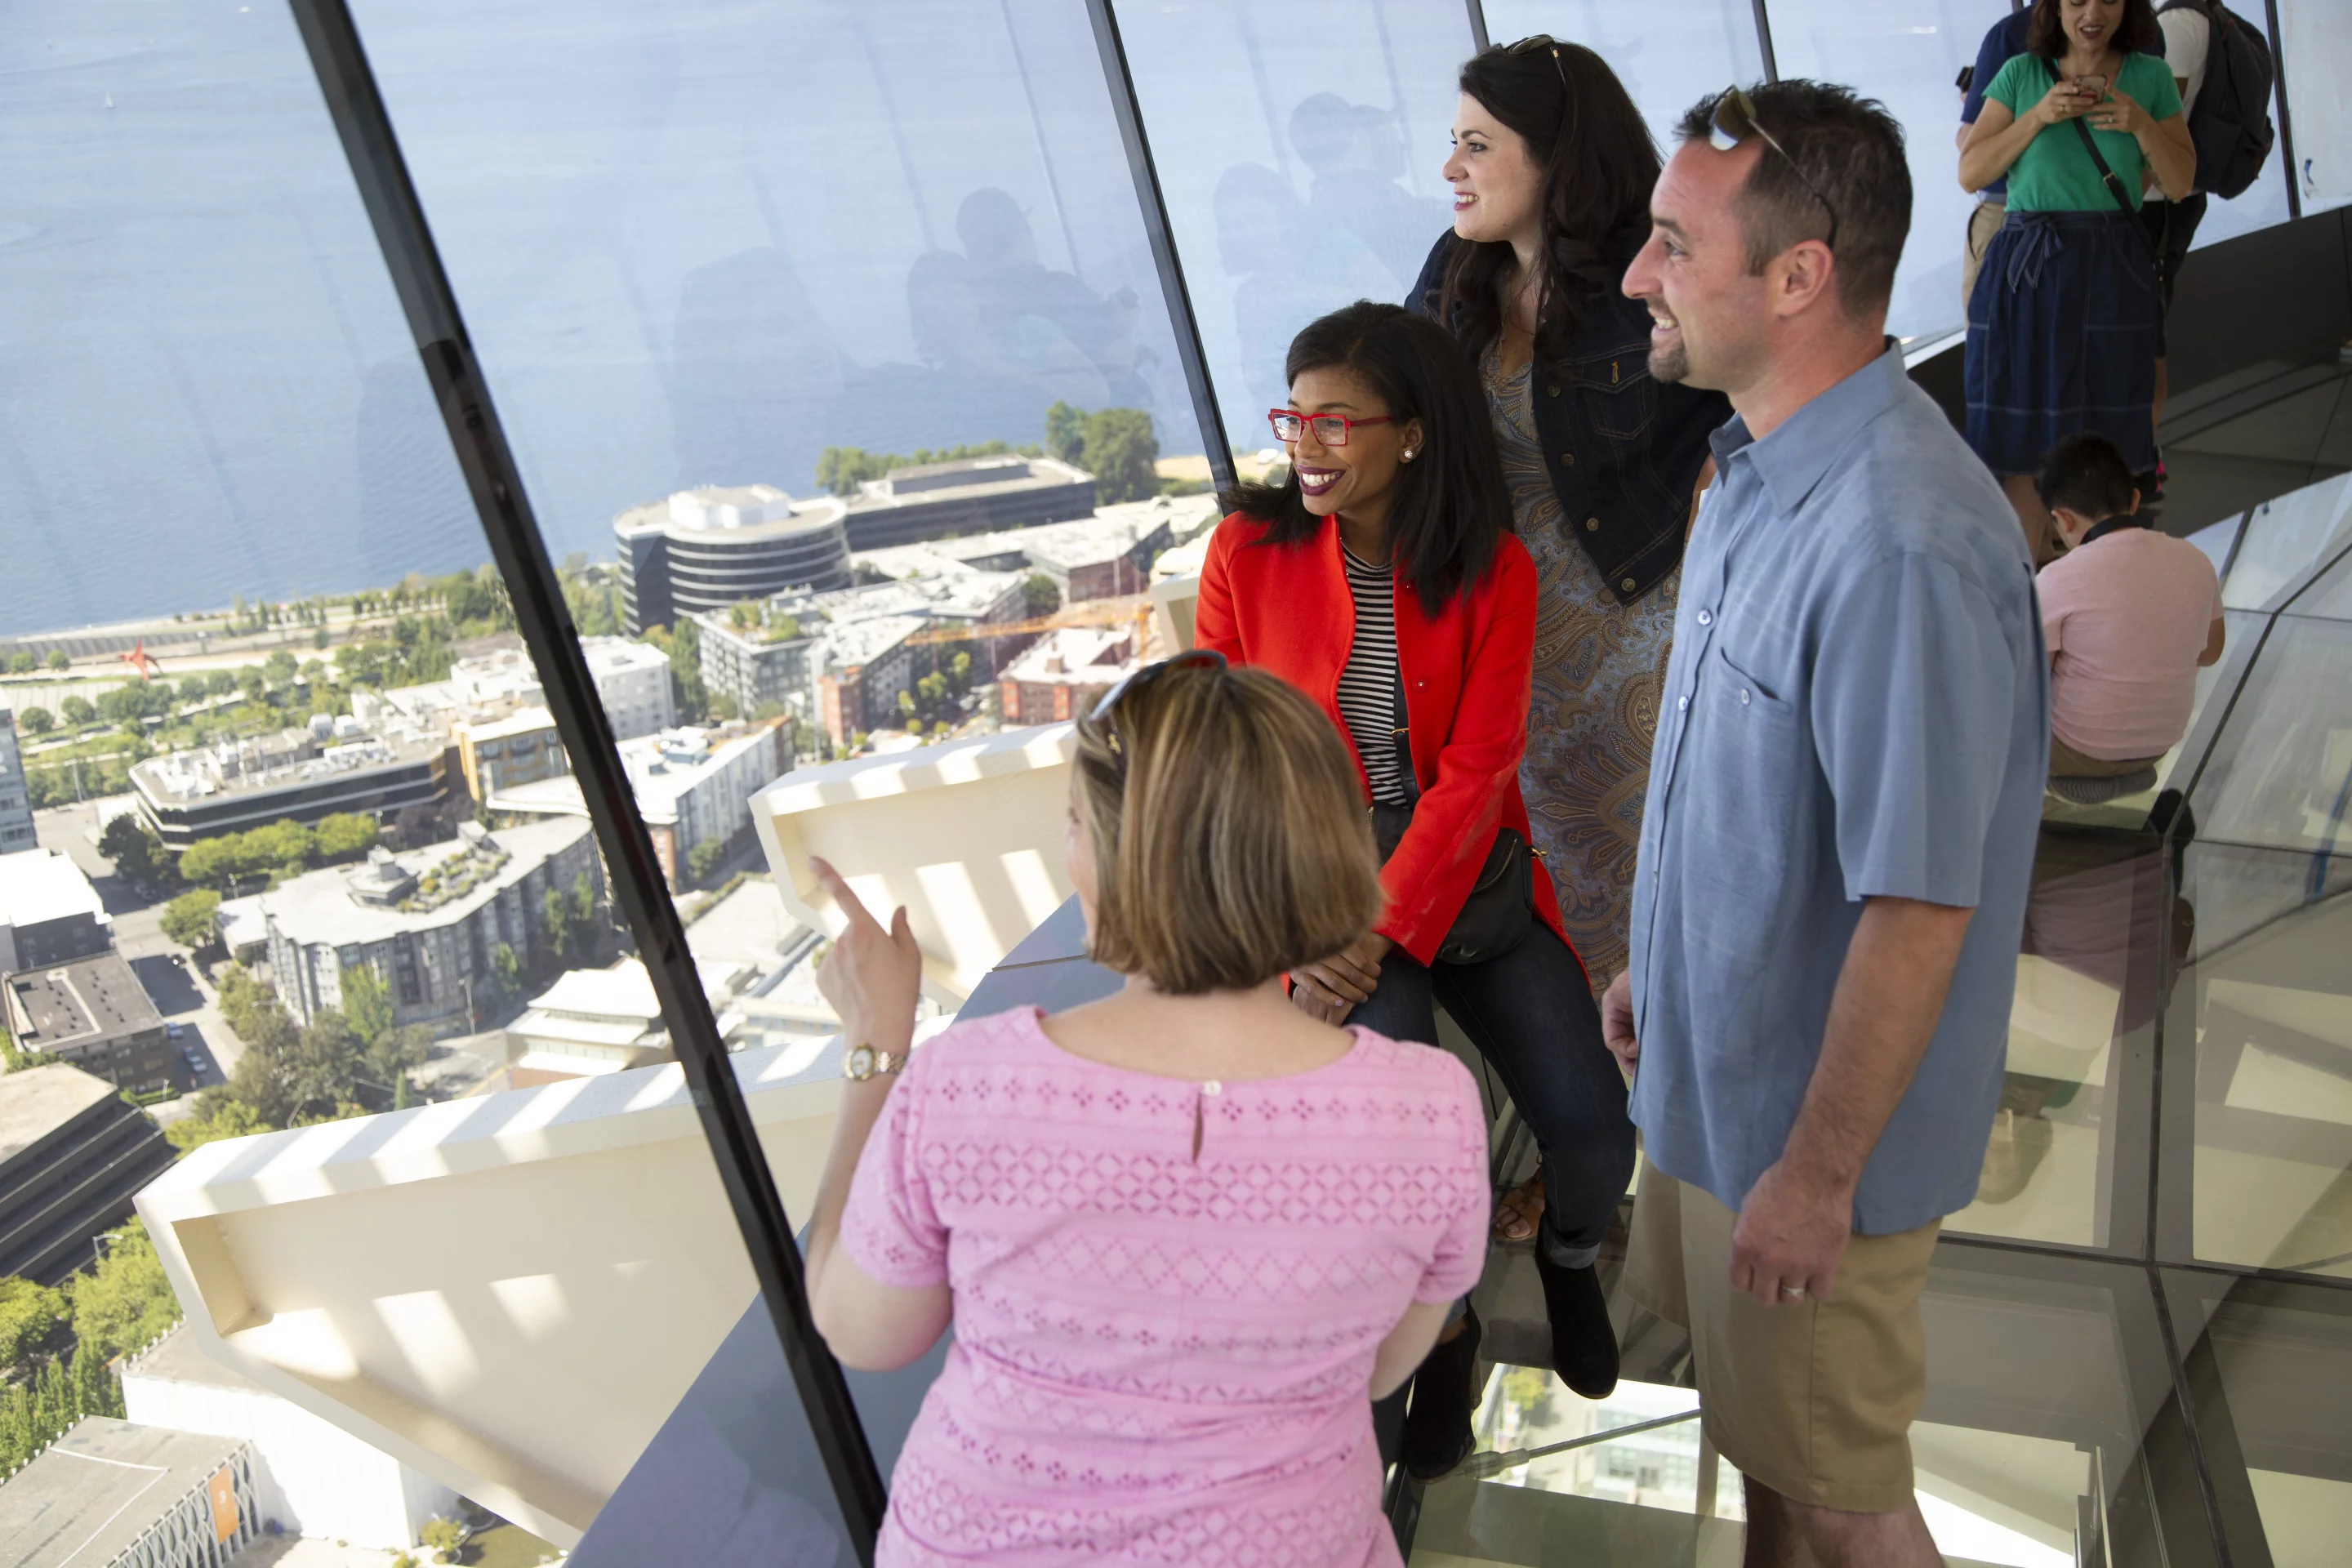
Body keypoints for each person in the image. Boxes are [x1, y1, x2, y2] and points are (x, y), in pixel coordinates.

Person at [1614, 81, 2048, 1564]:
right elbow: (1750, 792)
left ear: (1799, 277)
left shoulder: (1899, 542)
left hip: (1806, 1152)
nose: (1638, 275)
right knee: (1770, 1453)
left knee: (1843, 1503)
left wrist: (1814, 1178)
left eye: (1676, 245)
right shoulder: (1753, 470)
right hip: (1720, 1095)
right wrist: (1662, 972)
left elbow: (1919, 908)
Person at [798, 653, 1490, 1566]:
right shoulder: (1432, 1114)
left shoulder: (964, 1087)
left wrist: (875, 1049)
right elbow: (1377, 1369)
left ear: (1107, 857)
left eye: (1075, 825)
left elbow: (862, 1331)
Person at [1194, 300, 1635, 1480]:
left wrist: (1372, 931)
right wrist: (1314, 923)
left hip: (1463, 881)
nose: (1308, 444)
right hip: (1317, 888)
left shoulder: (1492, 568)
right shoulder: (1245, 553)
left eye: (1339, 421)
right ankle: (1446, 1336)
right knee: (1403, 1165)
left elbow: (1480, 772)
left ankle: (1571, 1257)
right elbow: (1225, 747)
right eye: (1296, 417)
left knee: (1596, 1130)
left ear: (1414, 433)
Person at [1410, 35, 1730, 1252]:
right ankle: (1614, 1152)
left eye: (1477, 144)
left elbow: (1737, 403)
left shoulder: (1639, 276)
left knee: (1654, 900)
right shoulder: (1456, 271)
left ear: (1553, 156)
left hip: (1634, 637)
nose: (1452, 167)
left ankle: (1685, 1155)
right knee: (1570, 908)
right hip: (1513, 650)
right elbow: (1394, 407)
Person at [1960, 0, 2194, 563]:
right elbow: (1971, 171)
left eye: (2108, 0)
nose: (2092, 13)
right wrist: (2038, 116)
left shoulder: (2149, 76)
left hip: (2113, 264)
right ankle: (2025, 585)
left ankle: (2102, 580)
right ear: (2055, 7)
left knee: (2108, 433)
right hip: (2030, 266)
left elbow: (2181, 182)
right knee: (2024, 438)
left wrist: (2140, 123)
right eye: (2076, 1)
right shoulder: (2021, 73)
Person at [2035, 431, 2225, 782]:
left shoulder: (2058, 578)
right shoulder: (2196, 561)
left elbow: (2033, 680)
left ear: (2062, 519)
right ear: (2135, 500)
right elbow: (2210, 653)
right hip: (2160, 744)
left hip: (2073, 750)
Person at [1958, 5, 2036, 310]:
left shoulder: (2012, 35)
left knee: (1992, 333)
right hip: (2117, 216)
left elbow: (1968, 151)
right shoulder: (2144, 31)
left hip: (2007, 215)